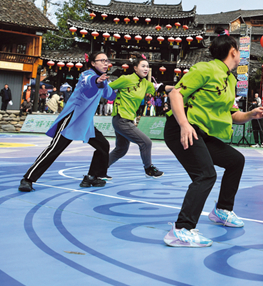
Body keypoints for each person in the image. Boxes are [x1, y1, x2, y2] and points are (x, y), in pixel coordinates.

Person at [163, 29, 263, 247]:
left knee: (236, 161)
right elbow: (175, 94)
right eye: (239, 51)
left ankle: (222, 210)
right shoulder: (205, 69)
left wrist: (250, 114)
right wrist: (183, 124)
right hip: (182, 127)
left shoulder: (229, 80)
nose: (240, 56)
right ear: (233, 52)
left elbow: (232, 115)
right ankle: (181, 230)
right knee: (205, 175)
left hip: (202, 133)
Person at [19, 53, 116, 192]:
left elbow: (110, 95)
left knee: (103, 146)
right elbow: (89, 82)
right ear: (93, 63)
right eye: (102, 61)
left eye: (107, 61)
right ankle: (27, 179)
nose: (106, 63)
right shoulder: (87, 75)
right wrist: (97, 81)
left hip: (85, 122)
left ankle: (92, 176)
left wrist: (124, 87)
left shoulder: (104, 80)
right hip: (72, 118)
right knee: (54, 149)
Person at [107, 57, 164, 179]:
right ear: (135, 68)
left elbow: (159, 88)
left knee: (121, 149)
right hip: (121, 118)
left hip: (127, 119)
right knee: (146, 142)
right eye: (143, 66)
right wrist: (115, 99)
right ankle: (149, 169)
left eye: (147, 66)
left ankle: (99, 169)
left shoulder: (145, 84)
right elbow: (108, 88)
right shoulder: (126, 79)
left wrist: (179, 88)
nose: (146, 69)